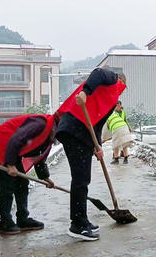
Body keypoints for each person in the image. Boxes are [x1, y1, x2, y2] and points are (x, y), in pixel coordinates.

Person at [55, 68, 126, 241]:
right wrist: (86, 92)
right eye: (123, 85)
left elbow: (98, 125)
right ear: (121, 82)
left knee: (82, 178)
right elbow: (99, 72)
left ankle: (82, 220)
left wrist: (98, 147)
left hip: (79, 132)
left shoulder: (110, 101)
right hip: (74, 128)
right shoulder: (111, 79)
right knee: (81, 179)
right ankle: (78, 224)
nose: (121, 89)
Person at [0, 113, 58, 235]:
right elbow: (16, 139)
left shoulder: (49, 134)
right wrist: (10, 164)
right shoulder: (40, 124)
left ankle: (23, 219)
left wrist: (45, 178)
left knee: (22, 183)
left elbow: (39, 156)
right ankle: (5, 223)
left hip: (11, 151)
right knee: (6, 185)